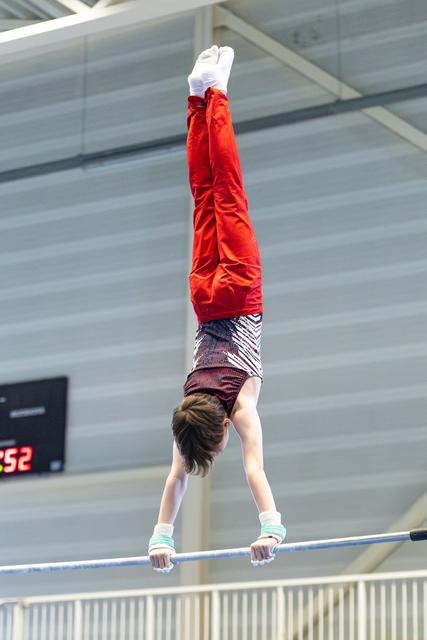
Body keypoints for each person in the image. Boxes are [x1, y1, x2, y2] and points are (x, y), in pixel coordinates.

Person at [148, 45, 286, 573]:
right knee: (203, 196)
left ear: (221, 429)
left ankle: (218, 91)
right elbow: (175, 479)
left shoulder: (238, 406)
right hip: (204, 298)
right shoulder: (187, 412)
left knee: (227, 192)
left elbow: (255, 468)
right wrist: (160, 538)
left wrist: (270, 527)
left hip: (241, 293)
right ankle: (196, 96)